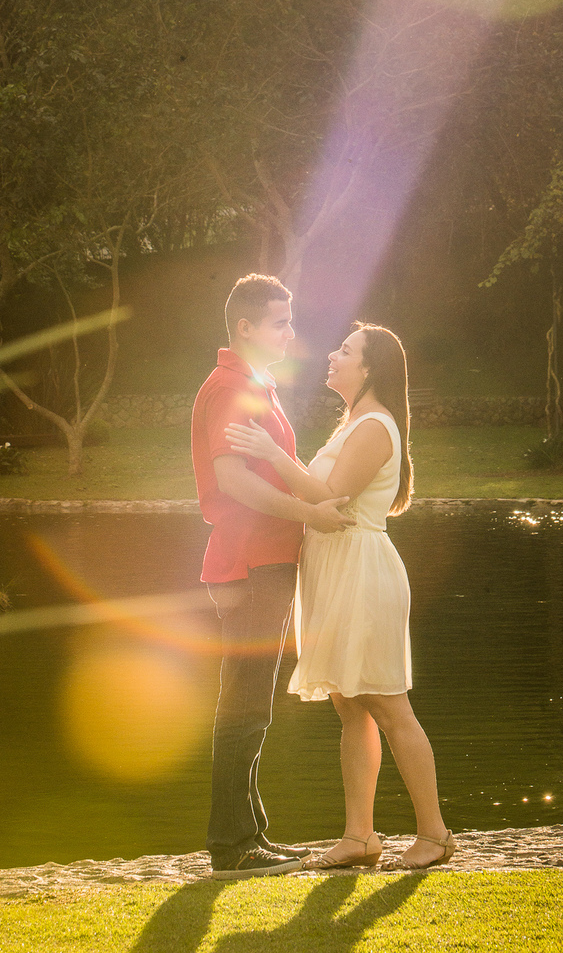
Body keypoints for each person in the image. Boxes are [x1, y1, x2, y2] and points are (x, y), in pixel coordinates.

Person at [226, 322, 455, 871]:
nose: (332, 354)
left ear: (371, 366)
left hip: (362, 570)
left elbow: (333, 497)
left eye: (346, 350)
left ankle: (436, 834)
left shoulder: (376, 425)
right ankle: (360, 837)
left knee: (388, 705)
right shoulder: (351, 422)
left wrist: (271, 453)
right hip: (334, 570)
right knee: (352, 707)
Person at [192, 272, 353, 878]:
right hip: (251, 560)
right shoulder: (232, 386)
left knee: (250, 700)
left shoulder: (255, 383)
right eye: (281, 322)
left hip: (265, 560)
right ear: (245, 327)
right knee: (245, 702)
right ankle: (231, 848)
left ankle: (249, 834)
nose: (291, 332)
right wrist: (307, 511)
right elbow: (234, 481)